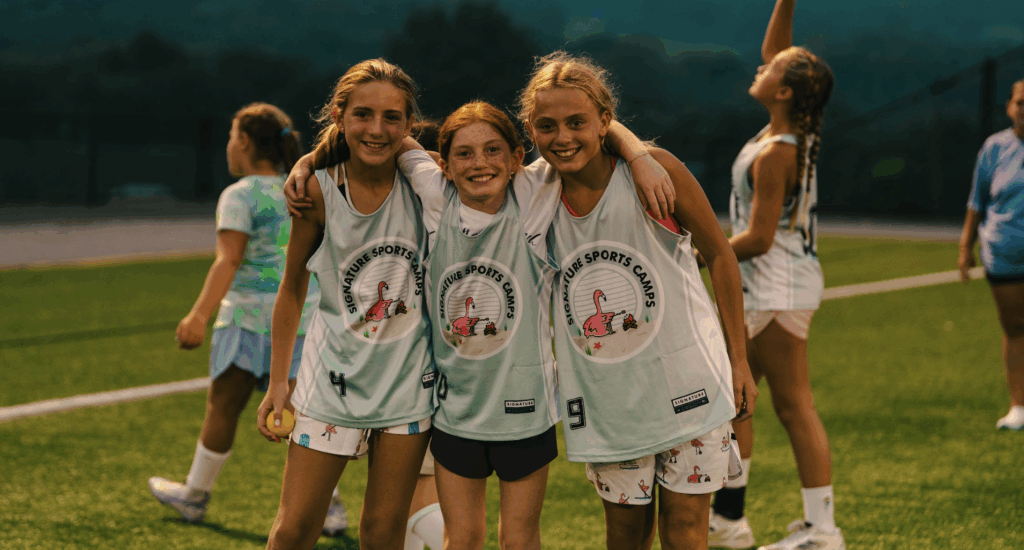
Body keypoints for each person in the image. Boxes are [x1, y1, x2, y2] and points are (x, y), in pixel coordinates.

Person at [517, 50, 757, 550]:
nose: (563, 137)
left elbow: (720, 255)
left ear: (606, 121)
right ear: (530, 130)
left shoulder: (654, 172)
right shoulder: (533, 193)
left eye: (577, 122)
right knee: (625, 538)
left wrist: (740, 361)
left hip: (691, 384)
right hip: (608, 401)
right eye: (547, 126)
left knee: (688, 530)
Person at [256, 59, 434, 550]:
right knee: (293, 530)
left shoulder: (427, 185)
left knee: (382, 532)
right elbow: (292, 286)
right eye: (362, 114)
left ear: (409, 125)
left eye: (392, 118)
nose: (377, 129)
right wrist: (277, 381)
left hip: (408, 384)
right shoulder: (316, 189)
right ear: (339, 115)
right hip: (331, 381)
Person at [147, 103, 336, 528]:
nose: (229, 146)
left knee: (223, 406)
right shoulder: (304, 185)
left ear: (245, 142)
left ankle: (195, 495)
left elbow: (228, 259)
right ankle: (329, 508)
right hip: (304, 320)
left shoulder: (240, 194)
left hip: (247, 320)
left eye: (232, 137)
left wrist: (198, 315)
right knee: (306, 415)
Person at [704, 1, 842, 549]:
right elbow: (775, 54)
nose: (760, 69)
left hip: (778, 282)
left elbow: (759, 238)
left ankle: (822, 530)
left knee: (793, 405)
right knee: (735, 397)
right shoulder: (781, 132)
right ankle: (730, 518)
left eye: (771, 72)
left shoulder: (776, 153)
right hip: (771, 282)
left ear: (785, 92)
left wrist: (697, 250)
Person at [959, 77, 1024, 432]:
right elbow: (976, 202)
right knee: (1014, 328)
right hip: (1004, 254)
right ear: (1010, 106)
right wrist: (964, 246)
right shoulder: (994, 148)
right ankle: (1019, 406)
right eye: (1021, 102)